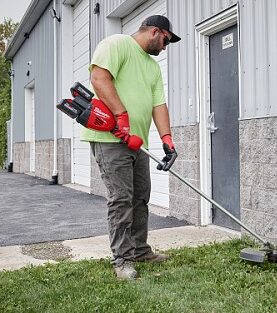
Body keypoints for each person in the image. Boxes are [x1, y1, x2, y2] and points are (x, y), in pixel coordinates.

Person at [81, 15, 181, 280]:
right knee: (122, 198)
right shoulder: (117, 44)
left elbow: (158, 104)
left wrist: (167, 139)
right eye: (166, 40)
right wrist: (121, 116)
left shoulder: (152, 67)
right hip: (110, 139)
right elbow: (99, 78)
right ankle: (122, 260)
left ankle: (139, 250)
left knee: (140, 197)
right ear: (155, 32)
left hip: (138, 142)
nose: (165, 47)